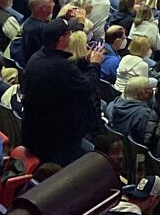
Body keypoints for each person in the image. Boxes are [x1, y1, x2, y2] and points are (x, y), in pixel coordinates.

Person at [20, 23, 102, 164]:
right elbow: (87, 87)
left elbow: (63, 75)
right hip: (56, 136)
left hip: (36, 128)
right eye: (68, 34)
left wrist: (83, 62)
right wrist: (95, 64)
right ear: (62, 39)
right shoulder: (61, 66)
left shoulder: (38, 57)